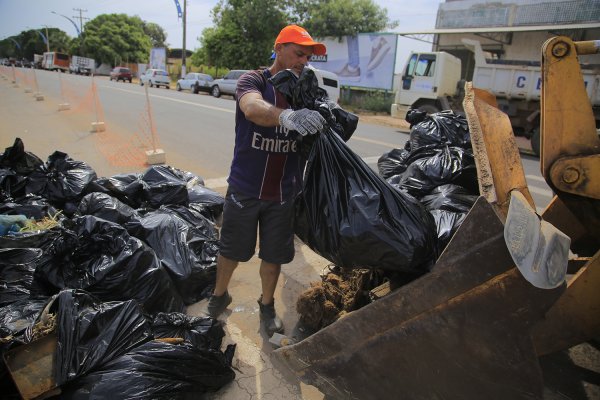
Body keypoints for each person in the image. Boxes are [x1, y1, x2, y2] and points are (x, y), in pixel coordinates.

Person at [205, 25, 328, 337]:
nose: (304, 60)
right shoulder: (254, 80)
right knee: (231, 252)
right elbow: (250, 107)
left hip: (284, 193)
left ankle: (267, 305)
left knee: (273, 257)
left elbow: (328, 124)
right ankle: (219, 296)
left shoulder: (306, 93)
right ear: (279, 48)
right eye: (299, 53)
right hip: (245, 189)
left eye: (309, 56)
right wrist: (286, 117)